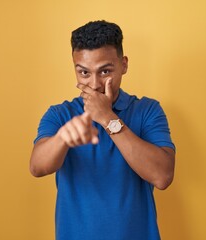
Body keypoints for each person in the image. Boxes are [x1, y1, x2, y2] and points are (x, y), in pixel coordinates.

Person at [30, 20, 175, 240]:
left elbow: (162, 176)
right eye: (84, 73)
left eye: (105, 71)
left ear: (124, 65)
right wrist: (62, 139)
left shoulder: (147, 110)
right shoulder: (60, 114)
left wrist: (108, 118)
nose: (95, 84)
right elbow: (37, 167)